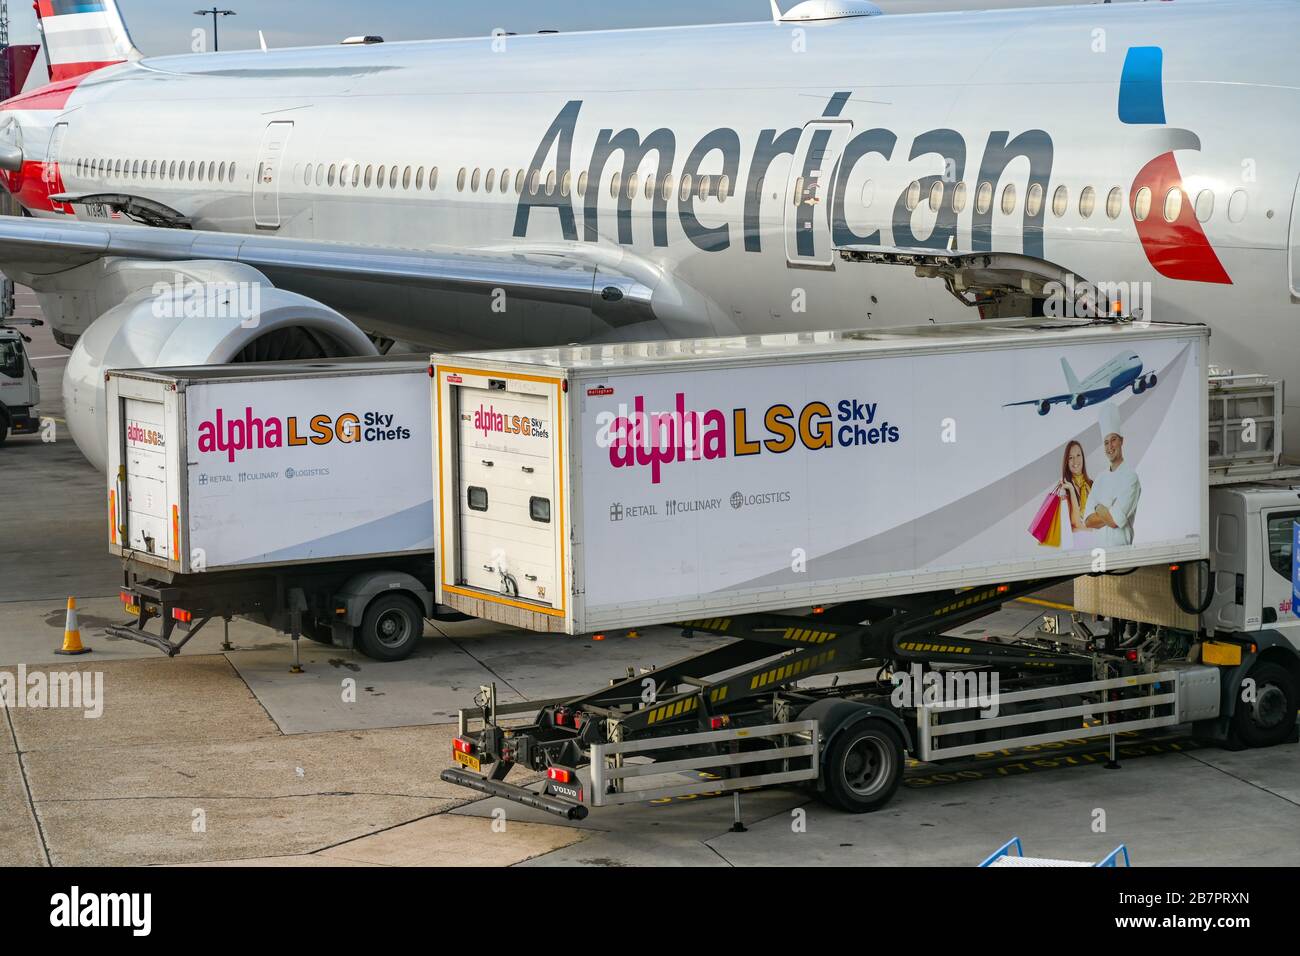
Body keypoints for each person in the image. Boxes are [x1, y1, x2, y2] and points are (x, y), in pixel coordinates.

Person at [1084, 404, 1141, 546]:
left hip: (1121, 552)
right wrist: (1108, 511)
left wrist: (1097, 507)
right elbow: (1088, 521)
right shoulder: (1099, 479)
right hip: (1099, 554)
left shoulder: (1130, 477)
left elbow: (1116, 521)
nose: (1110, 446)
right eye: (1106, 442)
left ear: (1121, 441)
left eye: (1114, 440)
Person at [1054, 440, 1092, 532]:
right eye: (1071, 457)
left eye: (1078, 455)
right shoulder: (1064, 487)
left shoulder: (1091, 485)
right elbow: (1075, 522)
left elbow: (1098, 520)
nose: (1075, 461)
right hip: (1076, 543)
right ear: (1067, 462)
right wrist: (1071, 489)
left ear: (1083, 457)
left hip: (1094, 542)